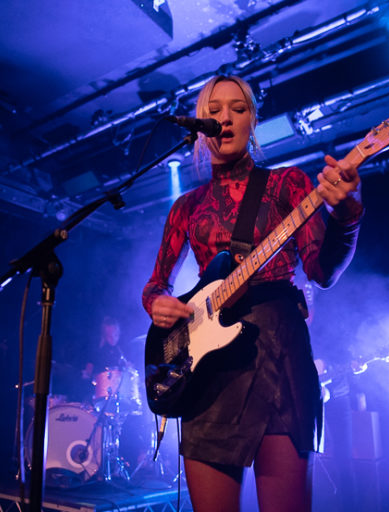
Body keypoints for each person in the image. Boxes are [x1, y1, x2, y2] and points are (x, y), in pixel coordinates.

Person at [142, 75, 363, 511]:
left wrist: (348, 215)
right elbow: (156, 282)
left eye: (238, 109)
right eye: (214, 111)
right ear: (199, 126)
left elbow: (321, 272)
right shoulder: (186, 207)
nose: (225, 118)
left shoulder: (288, 184)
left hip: (279, 353)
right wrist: (157, 303)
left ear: (252, 121)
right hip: (208, 366)